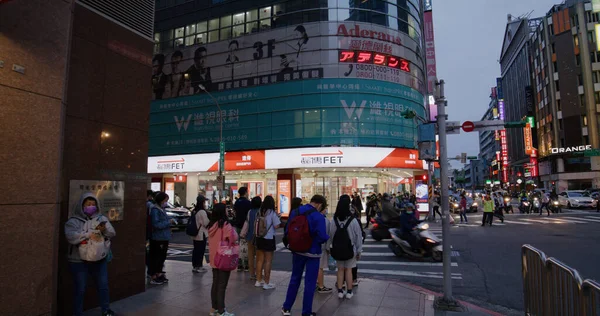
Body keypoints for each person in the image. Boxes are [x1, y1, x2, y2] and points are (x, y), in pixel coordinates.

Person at [65, 193, 116, 316]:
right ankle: (77, 312)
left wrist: (104, 230)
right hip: (78, 260)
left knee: (103, 285)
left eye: (93, 204)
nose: (91, 207)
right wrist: (90, 234)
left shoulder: (101, 219)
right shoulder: (73, 221)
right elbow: (72, 237)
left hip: (99, 257)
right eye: (88, 204)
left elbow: (112, 233)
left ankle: (106, 309)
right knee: (80, 289)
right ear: (82, 205)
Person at [282, 195, 329, 316]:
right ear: (319, 204)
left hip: (297, 250)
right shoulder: (318, 217)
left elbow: (287, 230)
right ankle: (306, 312)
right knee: (310, 283)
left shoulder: (295, 211)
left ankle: (286, 307)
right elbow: (323, 236)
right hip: (313, 253)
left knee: (295, 278)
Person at [327, 195, 363, 300]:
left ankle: (340, 291)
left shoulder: (334, 220)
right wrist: (359, 251)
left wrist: (329, 248)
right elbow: (358, 236)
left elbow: (330, 235)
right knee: (348, 270)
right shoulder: (353, 220)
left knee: (340, 270)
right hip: (350, 250)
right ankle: (349, 291)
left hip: (337, 250)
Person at [208, 203, 238, 316]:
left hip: (214, 258)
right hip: (224, 257)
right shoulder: (225, 224)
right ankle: (221, 311)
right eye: (225, 209)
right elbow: (233, 237)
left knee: (215, 283)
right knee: (222, 285)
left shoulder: (212, 225)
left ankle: (214, 309)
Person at [254, 195, 281, 290]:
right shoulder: (272, 213)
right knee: (268, 261)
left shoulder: (259, 212)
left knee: (259, 260)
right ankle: (266, 282)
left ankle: (258, 280)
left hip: (259, 237)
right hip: (269, 238)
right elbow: (277, 225)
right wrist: (278, 217)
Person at [148, 192, 172, 285]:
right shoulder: (155, 210)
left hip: (163, 237)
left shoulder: (161, 209)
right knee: (156, 257)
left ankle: (158, 273)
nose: (166, 202)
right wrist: (168, 222)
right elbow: (156, 224)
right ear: (161, 200)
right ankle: (154, 275)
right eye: (165, 200)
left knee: (161, 257)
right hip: (158, 238)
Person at [242, 196, 262, 280]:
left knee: (250, 256)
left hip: (250, 236)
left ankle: (252, 274)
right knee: (259, 256)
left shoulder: (250, 212)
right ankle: (258, 274)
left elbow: (247, 223)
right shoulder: (261, 212)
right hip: (258, 236)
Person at [233, 187, 251, 271]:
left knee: (239, 244)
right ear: (245, 193)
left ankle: (239, 264)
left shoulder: (237, 202)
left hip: (238, 225)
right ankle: (246, 264)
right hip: (246, 226)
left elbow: (235, 212)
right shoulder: (248, 203)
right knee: (246, 245)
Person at [316, 202, 333, 293]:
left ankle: (315, 283)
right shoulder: (325, 220)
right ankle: (321, 285)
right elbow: (328, 234)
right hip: (321, 246)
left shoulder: (313, 217)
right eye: (325, 208)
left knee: (314, 266)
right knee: (320, 267)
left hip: (312, 246)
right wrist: (328, 248)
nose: (326, 210)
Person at [191, 195, 210, 273]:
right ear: (202, 202)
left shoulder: (194, 210)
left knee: (196, 250)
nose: (205, 203)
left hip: (195, 234)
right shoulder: (202, 211)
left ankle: (195, 266)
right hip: (201, 234)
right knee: (200, 251)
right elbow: (206, 223)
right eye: (204, 202)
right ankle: (199, 266)